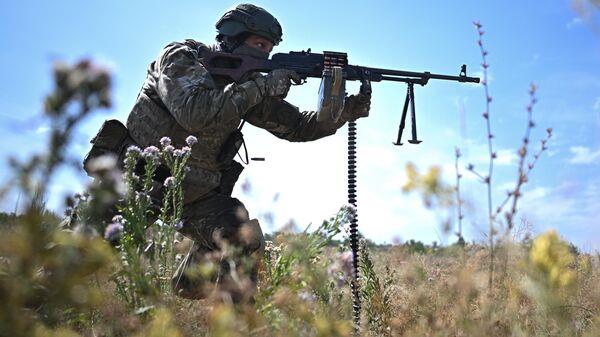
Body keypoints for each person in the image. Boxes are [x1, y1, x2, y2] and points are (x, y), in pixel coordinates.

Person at [97, 3, 371, 302]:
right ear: (232, 38)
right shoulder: (181, 57)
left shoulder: (246, 84)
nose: (264, 54)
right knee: (75, 256)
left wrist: (343, 113)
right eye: (258, 44)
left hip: (195, 195)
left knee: (243, 239)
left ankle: (220, 311)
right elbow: (194, 113)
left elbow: (296, 127)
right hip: (136, 181)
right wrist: (264, 85)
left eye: (268, 49)